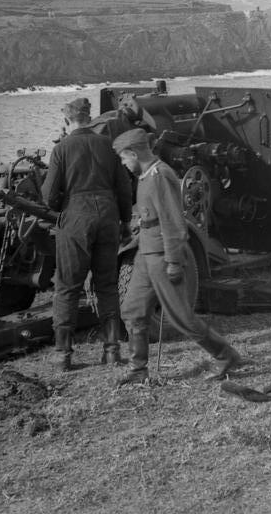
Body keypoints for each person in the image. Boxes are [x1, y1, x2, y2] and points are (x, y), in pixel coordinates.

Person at [112, 128, 247, 384]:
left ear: (133, 153)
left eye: (123, 158)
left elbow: (174, 222)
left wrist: (174, 261)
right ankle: (138, 369)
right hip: (146, 251)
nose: (123, 163)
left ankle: (225, 355)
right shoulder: (145, 176)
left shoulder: (160, 175)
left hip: (163, 254)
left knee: (180, 317)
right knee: (132, 310)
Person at [42, 97, 133, 371]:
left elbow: (47, 196)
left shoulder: (62, 148)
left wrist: (63, 208)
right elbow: (125, 189)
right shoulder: (108, 145)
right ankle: (112, 350)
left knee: (68, 286)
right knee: (106, 284)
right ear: (89, 118)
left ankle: (63, 354)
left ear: (67, 120)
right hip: (108, 217)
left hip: (76, 219)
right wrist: (125, 222)